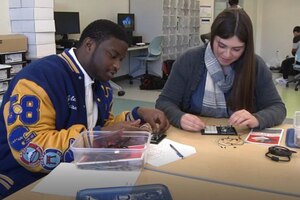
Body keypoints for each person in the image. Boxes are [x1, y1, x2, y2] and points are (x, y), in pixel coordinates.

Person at [0, 19, 169, 198]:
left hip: (76, 171)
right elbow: (31, 151)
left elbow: (104, 124)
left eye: (120, 59)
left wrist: (138, 114)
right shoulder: (39, 78)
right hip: (24, 179)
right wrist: (98, 137)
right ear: (89, 45)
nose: (117, 66)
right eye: (112, 56)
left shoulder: (101, 85)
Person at [156, 8, 286, 132]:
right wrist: (179, 117)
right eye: (221, 45)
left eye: (236, 49)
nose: (227, 54)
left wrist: (257, 119)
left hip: (240, 140)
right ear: (212, 37)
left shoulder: (256, 65)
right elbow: (164, 102)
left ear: (247, 47)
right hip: (194, 137)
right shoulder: (190, 60)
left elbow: (278, 108)